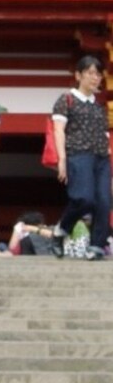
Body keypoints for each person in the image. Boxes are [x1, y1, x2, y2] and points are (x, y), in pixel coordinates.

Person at [51, 54, 111, 254]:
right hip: (78, 154)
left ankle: (96, 245)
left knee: (104, 201)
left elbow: (104, 134)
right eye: (90, 73)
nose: (95, 78)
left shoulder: (98, 106)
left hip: (101, 157)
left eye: (98, 74)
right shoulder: (66, 99)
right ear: (78, 75)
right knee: (85, 198)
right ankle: (62, 229)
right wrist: (62, 159)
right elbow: (58, 130)